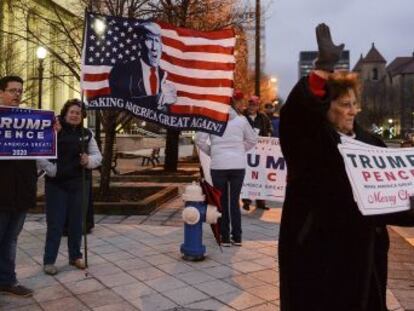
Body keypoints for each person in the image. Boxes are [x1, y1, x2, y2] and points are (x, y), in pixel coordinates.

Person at [278, 23, 414, 311]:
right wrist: (323, 68)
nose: (352, 110)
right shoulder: (311, 141)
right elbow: (297, 113)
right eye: (343, 103)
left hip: (364, 259)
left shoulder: (372, 143)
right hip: (318, 254)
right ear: (326, 106)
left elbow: (391, 199)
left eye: (355, 104)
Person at [37, 99, 102, 275]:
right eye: (72, 112)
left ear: (82, 116)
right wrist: (52, 170)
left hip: (80, 184)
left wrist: (88, 160)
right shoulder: (54, 129)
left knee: (77, 223)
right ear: (65, 113)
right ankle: (49, 260)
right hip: (57, 185)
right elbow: (40, 152)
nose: (75, 115)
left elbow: (98, 156)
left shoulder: (87, 133)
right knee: (55, 224)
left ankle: (75, 256)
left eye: (78, 113)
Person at [196, 90, 257, 247]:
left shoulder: (211, 119)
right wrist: (238, 149)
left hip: (218, 165)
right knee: (234, 201)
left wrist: (213, 152)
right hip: (237, 165)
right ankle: (237, 237)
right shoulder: (242, 120)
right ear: (232, 104)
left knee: (221, 201)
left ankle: (224, 237)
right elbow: (252, 140)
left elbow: (200, 140)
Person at [0, 76, 34, 297]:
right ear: (1, 92)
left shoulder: (29, 120)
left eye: (20, 91)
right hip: (1, 192)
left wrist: (53, 134)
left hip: (21, 191)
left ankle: (7, 280)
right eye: (12, 90)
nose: (17, 95)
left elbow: (41, 151)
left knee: (11, 239)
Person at [108, 21, 176, 111]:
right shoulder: (121, 72)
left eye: (157, 41)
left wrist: (167, 108)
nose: (154, 48)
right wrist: (155, 100)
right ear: (140, 44)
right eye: (149, 40)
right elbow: (119, 103)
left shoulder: (165, 77)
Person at [242, 96, 272, 211]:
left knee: (261, 175)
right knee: (247, 175)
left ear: (258, 106)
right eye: (250, 104)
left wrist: (268, 134)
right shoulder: (242, 116)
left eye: (254, 105)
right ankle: (246, 201)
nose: (251, 107)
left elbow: (269, 129)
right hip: (246, 150)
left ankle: (261, 202)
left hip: (261, 151)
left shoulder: (263, 117)